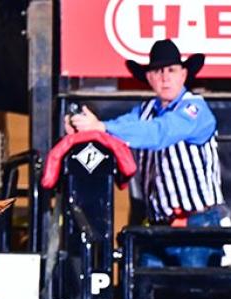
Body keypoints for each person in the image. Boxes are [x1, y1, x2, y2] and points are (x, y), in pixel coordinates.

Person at [67, 38, 230, 267]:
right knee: (143, 290)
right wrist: (81, 129)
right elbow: (115, 133)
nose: (165, 77)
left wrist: (100, 127)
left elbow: (160, 133)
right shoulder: (143, 112)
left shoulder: (195, 109)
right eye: (158, 71)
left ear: (183, 75)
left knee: (193, 295)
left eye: (171, 70)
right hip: (157, 226)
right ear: (149, 78)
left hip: (197, 223)